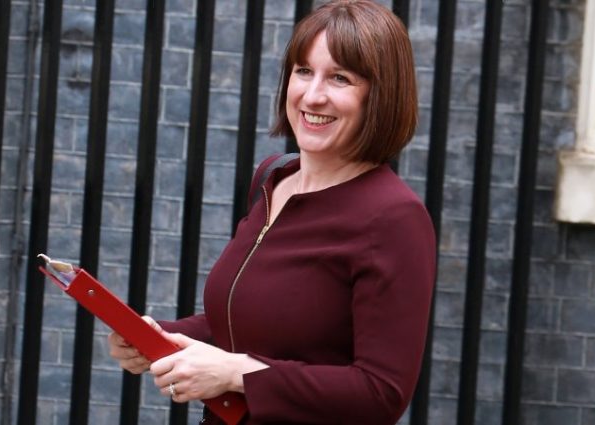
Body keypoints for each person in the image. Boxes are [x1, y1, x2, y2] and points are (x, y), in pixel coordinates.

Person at [108, 1, 436, 423]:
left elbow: (380, 393)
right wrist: (165, 337)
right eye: (303, 71)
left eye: (340, 77)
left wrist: (237, 372)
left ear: (381, 95)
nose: (312, 94)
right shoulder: (273, 178)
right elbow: (257, 320)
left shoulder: (394, 219)